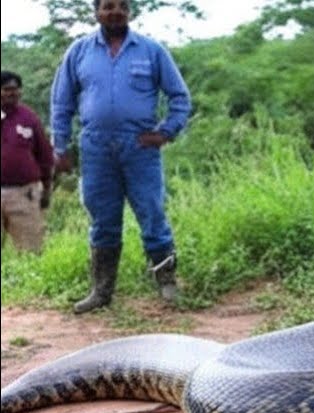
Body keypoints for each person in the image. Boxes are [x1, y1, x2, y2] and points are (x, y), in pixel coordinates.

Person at [50, 0, 191, 313]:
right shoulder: (79, 52)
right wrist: (60, 146)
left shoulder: (151, 50)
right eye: (107, 6)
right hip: (96, 148)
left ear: (130, 11)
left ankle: (167, 282)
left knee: (152, 213)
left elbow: (180, 97)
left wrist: (166, 131)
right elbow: (62, 103)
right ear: (96, 12)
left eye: (121, 6)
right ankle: (101, 292)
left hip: (140, 147)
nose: (114, 11)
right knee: (102, 220)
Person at [1, 71, 55, 253]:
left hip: (24, 193)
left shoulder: (28, 117)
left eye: (16, 89)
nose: (12, 93)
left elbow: (45, 155)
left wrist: (47, 188)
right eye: (7, 89)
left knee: (31, 252)